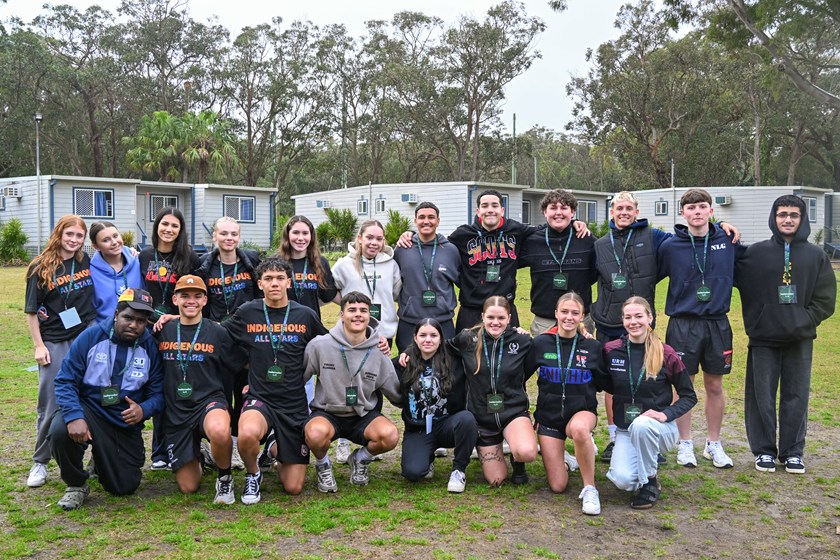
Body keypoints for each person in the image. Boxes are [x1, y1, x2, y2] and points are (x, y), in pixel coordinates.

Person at [591, 192, 737, 463]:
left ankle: (708, 443)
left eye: (629, 208)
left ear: (637, 211)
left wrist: (721, 227)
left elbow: (698, 235)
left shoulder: (658, 238)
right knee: (621, 383)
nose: (624, 212)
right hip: (617, 321)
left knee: (667, 381)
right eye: (619, 208)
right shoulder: (601, 243)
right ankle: (627, 438)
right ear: (611, 212)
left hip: (671, 322)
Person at [735, 195, 836, 474]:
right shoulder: (755, 253)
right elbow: (724, 267)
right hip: (763, 337)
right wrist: (722, 228)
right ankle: (764, 451)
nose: (788, 219)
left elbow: (826, 298)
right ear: (774, 217)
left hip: (799, 338)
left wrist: (805, 320)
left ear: (802, 219)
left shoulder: (816, 255)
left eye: (794, 215)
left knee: (796, 395)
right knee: (761, 397)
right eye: (782, 214)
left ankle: (792, 452)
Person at [222, 257, 328, 504]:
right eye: (268, 279)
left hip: (293, 402)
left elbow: (330, 345)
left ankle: (273, 446)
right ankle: (253, 474)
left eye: (280, 278)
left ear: (289, 282)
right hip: (260, 397)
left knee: (293, 487)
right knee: (247, 433)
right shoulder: (248, 312)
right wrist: (178, 320)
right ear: (260, 284)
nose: (274, 283)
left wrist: (370, 338)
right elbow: (218, 334)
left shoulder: (305, 315)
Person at [49, 288, 163, 510]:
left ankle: (100, 460)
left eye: (141, 321)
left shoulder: (150, 346)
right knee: (60, 430)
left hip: (122, 420)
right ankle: (76, 484)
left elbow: (159, 394)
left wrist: (144, 409)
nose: (134, 325)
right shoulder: (90, 337)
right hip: (90, 409)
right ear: (116, 314)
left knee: (124, 486)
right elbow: (65, 380)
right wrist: (74, 416)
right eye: (128, 318)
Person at [657, 189, 742, 469]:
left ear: (711, 211)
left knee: (715, 385)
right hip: (683, 324)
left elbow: (751, 269)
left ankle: (713, 444)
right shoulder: (670, 246)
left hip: (717, 323)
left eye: (702, 207)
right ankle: (685, 443)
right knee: (684, 386)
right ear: (683, 213)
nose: (697, 212)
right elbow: (648, 274)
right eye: (691, 207)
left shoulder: (727, 240)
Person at [601, 297, 696, 509]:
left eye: (639, 316)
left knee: (642, 425)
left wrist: (665, 414)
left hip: (659, 429)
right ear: (622, 320)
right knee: (623, 481)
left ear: (650, 318)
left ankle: (650, 480)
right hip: (626, 429)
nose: (633, 322)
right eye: (628, 317)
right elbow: (601, 381)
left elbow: (689, 396)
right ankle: (641, 466)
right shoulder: (611, 350)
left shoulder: (666, 353)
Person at [157, 275, 245, 504]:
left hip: (209, 402)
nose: (191, 301)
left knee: (219, 430)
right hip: (177, 410)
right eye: (184, 296)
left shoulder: (217, 332)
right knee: (188, 487)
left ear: (205, 300)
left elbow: (240, 362)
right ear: (175, 299)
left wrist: (253, 384)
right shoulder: (163, 330)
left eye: (197, 296)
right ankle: (202, 454)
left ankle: (224, 477)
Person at [24, 215, 97, 488]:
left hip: (86, 337)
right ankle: (40, 462)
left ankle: (97, 458)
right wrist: (39, 345)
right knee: (51, 401)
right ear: (59, 233)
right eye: (69, 234)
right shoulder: (40, 266)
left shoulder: (85, 261)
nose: (74, 240)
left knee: (93, 395)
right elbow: (32, 312)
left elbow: (116, 256)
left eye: (79, 236)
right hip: (55, 340)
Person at [303, 292, 402, 493]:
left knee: (390, 435)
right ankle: (323, 464)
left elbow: (396, 393)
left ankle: (360, 458)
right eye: (352, 310)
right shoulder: (319, 345)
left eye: (363, 310)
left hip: (363, 415)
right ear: (341, 315)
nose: (358, 314)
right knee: (314, 433)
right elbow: (299, 379)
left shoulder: (378, 351)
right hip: (328, 413)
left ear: (369, 316)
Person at [331, 220, 401, 463]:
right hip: (352, 334)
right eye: (369, 237)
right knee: (348, 381)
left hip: (382, 333)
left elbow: (396, 293)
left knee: (374, 383)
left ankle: (369, 438)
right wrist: (348, 306)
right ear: (359, 238)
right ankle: (341, 441)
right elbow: (330, 291)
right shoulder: (344, 264)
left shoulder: (391, 264)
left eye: (379, 239)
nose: (374, 243)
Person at [447, 296, 537, 486]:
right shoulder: (467, 338)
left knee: (527, 452)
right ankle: (493, 449)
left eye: (501, 318)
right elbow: (439, 347)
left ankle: (518, 460)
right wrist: (408, 353)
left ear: (509, 318)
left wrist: (581, 332)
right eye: (490, 317)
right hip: (482, 417)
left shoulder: (521, 340)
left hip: (513, 412)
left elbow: (545, 350)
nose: (495, 322)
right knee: (496, 479)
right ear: (482, 316)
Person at [195, 216, 261, 470]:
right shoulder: (204, 264)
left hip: (245, 340)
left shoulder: (251, 261)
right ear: (214, 236)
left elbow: (260, 295)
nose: (229, 238)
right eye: (223, 233)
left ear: (239, 237)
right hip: (218, 339)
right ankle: (219, 446)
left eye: (234, 233)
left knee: (243, 394)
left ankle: (236, 444)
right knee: (221, 394)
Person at [138, 207, 200, 470]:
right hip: (150, 329)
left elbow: (198, 295)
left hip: (177, 328)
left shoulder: (190, 257)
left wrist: (176, 316)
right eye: (165, 224)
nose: (169, 230)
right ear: (157, 226)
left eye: (175, 226)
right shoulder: (144, 255)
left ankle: (189, 446)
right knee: (158, 387)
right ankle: (159, 452)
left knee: (180, 385)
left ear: (181, 230)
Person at [533, 293, 605, 515]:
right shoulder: (540, 343)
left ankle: (590, 488)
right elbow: (518, 376)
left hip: (581, 413)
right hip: (549, 418)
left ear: (582, 316)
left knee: (580, 429)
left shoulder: (592, 347)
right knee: (558, 485)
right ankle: (567, 460)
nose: (569, 317)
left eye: (575, 313)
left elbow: (605, 383)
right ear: (556, 313)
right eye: (564, 312)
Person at [394, 319, 476, 493]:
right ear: (415, 338)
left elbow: (478, 336)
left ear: (441, 339)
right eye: (423, 335)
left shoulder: (455, 359)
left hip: (448, 425)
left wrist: (514, 333)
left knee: (467, 419)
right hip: (418, 428)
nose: (428, 340)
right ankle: (427, 457)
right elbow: (380, 372)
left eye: (433, 335)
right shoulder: (403, 362)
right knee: (413, 473)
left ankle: (458, 470)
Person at [274, 215, 338, 405]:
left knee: (307, 381)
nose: (300, 238)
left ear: (311, 236)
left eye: (305, 233)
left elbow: (330, 295)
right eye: (296, 233)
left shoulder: (320, 263)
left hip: (309, 332)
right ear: (287, 235)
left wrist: (359, 307)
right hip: (280, 331)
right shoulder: (276, 262)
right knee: (281, 379)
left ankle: (305, 418)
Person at [519, 190, 597, 337]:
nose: (558, 212)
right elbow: (509, 264)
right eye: (553, 208)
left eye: (564, 208)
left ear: (572, 212)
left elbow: (595, 274)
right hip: (544, 321)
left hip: (579, 320)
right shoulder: (532, 241)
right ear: (545, 212)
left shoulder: (585, 238)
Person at [393, 202, 460, 352]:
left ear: (438, 221)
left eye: (431, 217)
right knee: (408, 363)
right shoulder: (402, 249)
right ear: (415, 220)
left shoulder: (450, 250)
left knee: (445, 362)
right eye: (421, 217)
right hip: (410, 320)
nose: (426, 221)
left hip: (442, 320)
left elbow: (461, 281)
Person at [89, 221, 143, 322]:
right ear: (96, 246)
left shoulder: (138, 261)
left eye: (115, 236)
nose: (114, 242)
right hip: (105, 328)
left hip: (138, 326)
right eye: (106, 240)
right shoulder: (90, 272)